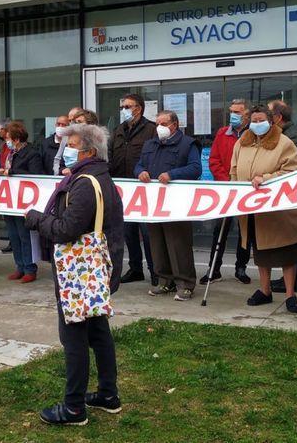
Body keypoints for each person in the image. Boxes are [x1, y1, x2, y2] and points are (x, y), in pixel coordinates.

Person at [25, 123, 124, 426]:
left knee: (74, 337)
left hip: (80, 272)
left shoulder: (84, 183)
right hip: (94, 269)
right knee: (97, 331)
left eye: (72, 145)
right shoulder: (97, 176)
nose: (65, 150)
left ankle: (73, 408)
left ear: (89, 151)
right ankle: (108, 395)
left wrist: (36, 219)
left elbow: (67, 229)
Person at [230, 105, 297, 313]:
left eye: (261, 119)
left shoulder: (284, 143)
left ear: (271, 121)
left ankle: (290, 294)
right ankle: (265, 290)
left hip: (280, 210)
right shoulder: (241, 142)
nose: (257, 124)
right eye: (253, 120)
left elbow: (291, 171)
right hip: (254, 210)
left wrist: (266, 179)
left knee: (286, 252)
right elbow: (233, 169)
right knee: (261, 251)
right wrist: (236, 187)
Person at [138, 111, 201, 302]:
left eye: (164, 123)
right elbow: (139, 165)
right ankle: (164, 280)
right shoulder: (150, 144)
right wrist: (140, 172)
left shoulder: (187, 144)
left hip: (177, 202)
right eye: (157, 123)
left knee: (178, 242)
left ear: (175, 124)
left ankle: (185, 284)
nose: (160, 127)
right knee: (156, 241)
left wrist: (173, 174)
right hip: (154, 203)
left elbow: (195, 168)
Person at [109, 93, 157, 285]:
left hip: (144, 188)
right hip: (123, 188)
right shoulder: (119, 130)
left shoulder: (151, 129)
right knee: (128, 232)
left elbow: (155, 156)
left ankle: (155, 271)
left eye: (127, 107)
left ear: (138, 108)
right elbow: (111, 155)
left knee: (147, 233)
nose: (123, 110)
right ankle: (135, 269)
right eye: (122, 107)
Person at [203, 98, 251, 285]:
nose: (233, 115)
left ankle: (241, 267)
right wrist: (226, 180)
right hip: (226, 189)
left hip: (246, 189)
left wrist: (242, 182)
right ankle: (213, 268)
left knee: (245, 231)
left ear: (246, 115)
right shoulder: (223, 133)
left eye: (237, 112)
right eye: (231, 111)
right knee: (220, 230)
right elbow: (214, 160)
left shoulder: (252, 134)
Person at [269, 100, 297, 293]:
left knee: (293, 237)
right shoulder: (279, 134)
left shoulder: (293, 135)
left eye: (269, 115)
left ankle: (295, 279)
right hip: (280, 191)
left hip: (291, 192)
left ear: (278, 117)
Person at [0, 121, 45, 283]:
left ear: (17, 139)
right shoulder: (12, 153)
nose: (6, 141)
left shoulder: (32, 154)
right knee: (14, 236)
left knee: (25, 236)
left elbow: (35, 175)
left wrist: (11, 171)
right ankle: (19, 266)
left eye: (8, 138)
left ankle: (30, 268)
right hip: (10, 200)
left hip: (24, 202)